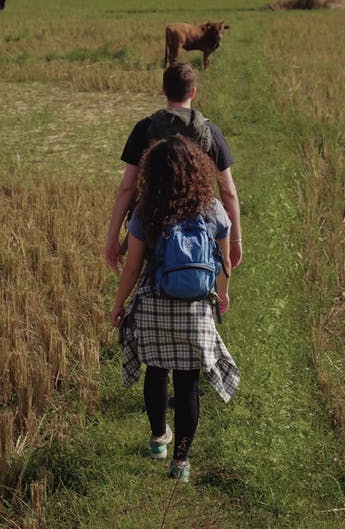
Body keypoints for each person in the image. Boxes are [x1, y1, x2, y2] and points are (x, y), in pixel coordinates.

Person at [110, 136, 240, 482]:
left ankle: (157, 439)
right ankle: (180, 463)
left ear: (152, 173)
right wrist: (221, 296)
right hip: (194, 311)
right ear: (197, 170)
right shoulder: (212, 208)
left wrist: (119, 304)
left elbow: (133, 268)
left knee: (156, 371)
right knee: (187, 385)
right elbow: (224, 261)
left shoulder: (147, 211)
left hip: (154, 307)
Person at [105, 62, 242, 272]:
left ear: (163, 90)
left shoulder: (145, 129)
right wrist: (235, 240)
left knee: (145, 276)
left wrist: (112, 236)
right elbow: (228, 192)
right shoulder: (209, 131)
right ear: (193, 92)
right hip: (201, 225)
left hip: (153, 222)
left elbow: (127, 187)